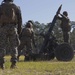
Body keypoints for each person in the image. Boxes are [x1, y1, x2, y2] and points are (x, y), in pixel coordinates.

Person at [0, 0, 22, 69]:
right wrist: (19, 30)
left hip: (3, 27)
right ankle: (14, 64)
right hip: (13, 27)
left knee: (2, 46)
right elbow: (20, 19)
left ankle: (1, 64)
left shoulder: (1, 7)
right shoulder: (16, 7)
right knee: (14, 46)